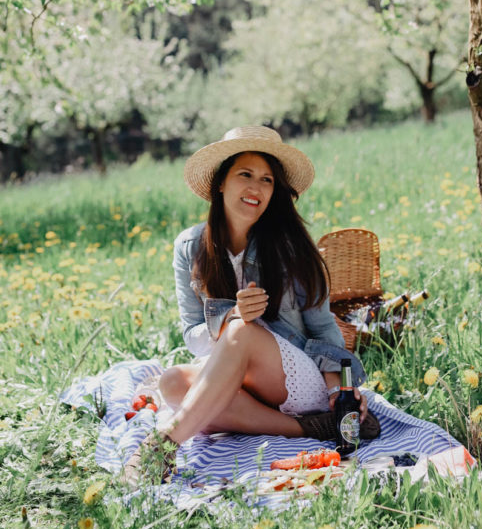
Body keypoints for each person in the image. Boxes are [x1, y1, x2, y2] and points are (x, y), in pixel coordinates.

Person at [122, 125, 379, 484]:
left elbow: (323, 328)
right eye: (245, 175)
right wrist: (229, 315)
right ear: (221, 183)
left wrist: (343, 390)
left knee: (242, 332)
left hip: (296, 377)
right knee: (173, 383)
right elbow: (193, 335)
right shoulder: (189, 247)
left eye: (267, 180)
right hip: (241, 379)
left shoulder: (289, 248)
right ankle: (307, 430)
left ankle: (163, 447)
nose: (256, 188)